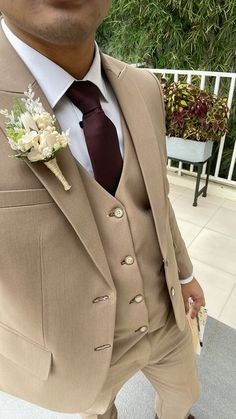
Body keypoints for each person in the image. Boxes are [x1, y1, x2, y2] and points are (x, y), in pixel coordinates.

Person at [0, 1, 205, 418]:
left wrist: (184, 274)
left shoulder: (145, 87)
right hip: (77, 349)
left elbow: (157, 199)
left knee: (184, 397)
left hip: (167, 319)